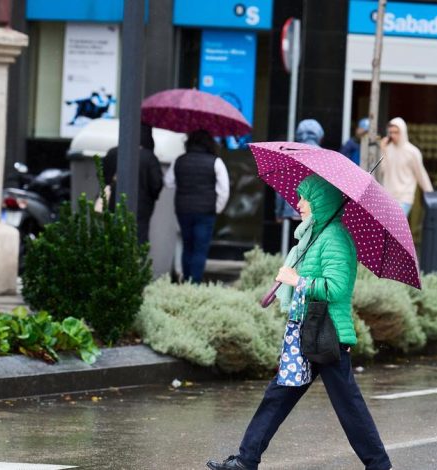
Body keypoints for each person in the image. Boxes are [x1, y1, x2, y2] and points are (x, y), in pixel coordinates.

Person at [206, 175, 392, 470]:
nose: (299, 203)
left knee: (349, 407)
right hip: (306, 330)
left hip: (328, 333)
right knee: (278, 395)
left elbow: (337, 288)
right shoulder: (314, 236)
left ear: (322, 203)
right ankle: (246, 460)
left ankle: (380, 466)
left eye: (306, 198)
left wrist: (297, 279)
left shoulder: (335, 238)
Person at [164, 129, 229, 284]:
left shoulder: (179, 160)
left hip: (183, 210)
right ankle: (195, 284)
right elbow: (224, 190)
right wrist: (216, 208)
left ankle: (186, 280)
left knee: (187, 246)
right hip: (206, 212)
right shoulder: (215, 162)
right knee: (200, 248)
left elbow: (168, 182)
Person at [102, 123, 164, 244]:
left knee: (113, 237)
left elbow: (104, 177)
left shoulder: (113, 153)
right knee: (138, 238)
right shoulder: (149, 157)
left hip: (114, 201)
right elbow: (156, 184)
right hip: (141, 205)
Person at [275, 119, 325, 252]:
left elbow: (282, 186)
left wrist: (279, 212)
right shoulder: (325, 157)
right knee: (311, 252)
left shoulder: (290, 155)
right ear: (320, 135)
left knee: (293, 251)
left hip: (293, 211)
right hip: (316, 213)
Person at [379, 117, 433, 216]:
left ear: (403, 132)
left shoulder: (412, 152)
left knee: (396, 228)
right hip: (388, 196)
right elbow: (382, 170)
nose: (393, 135)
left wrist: (430, 193)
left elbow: (420, 173)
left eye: (396, 132)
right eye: (391, 132)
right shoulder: (387, 148)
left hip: (404, 197)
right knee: (387, 229)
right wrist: (382, 150)